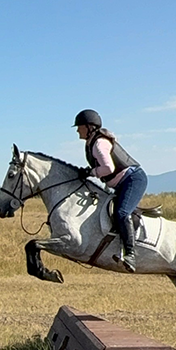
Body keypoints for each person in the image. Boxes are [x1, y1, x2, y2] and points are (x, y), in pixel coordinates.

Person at [74, 109, 147, 273]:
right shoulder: (93, 142)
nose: (78, 130)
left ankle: (130, 254)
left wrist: (91, 173)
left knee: (121, 213)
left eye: (80, 126)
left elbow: (108, 168)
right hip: (121, 183)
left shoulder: (99, 144)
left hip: (133, 180)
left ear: (89, 126)